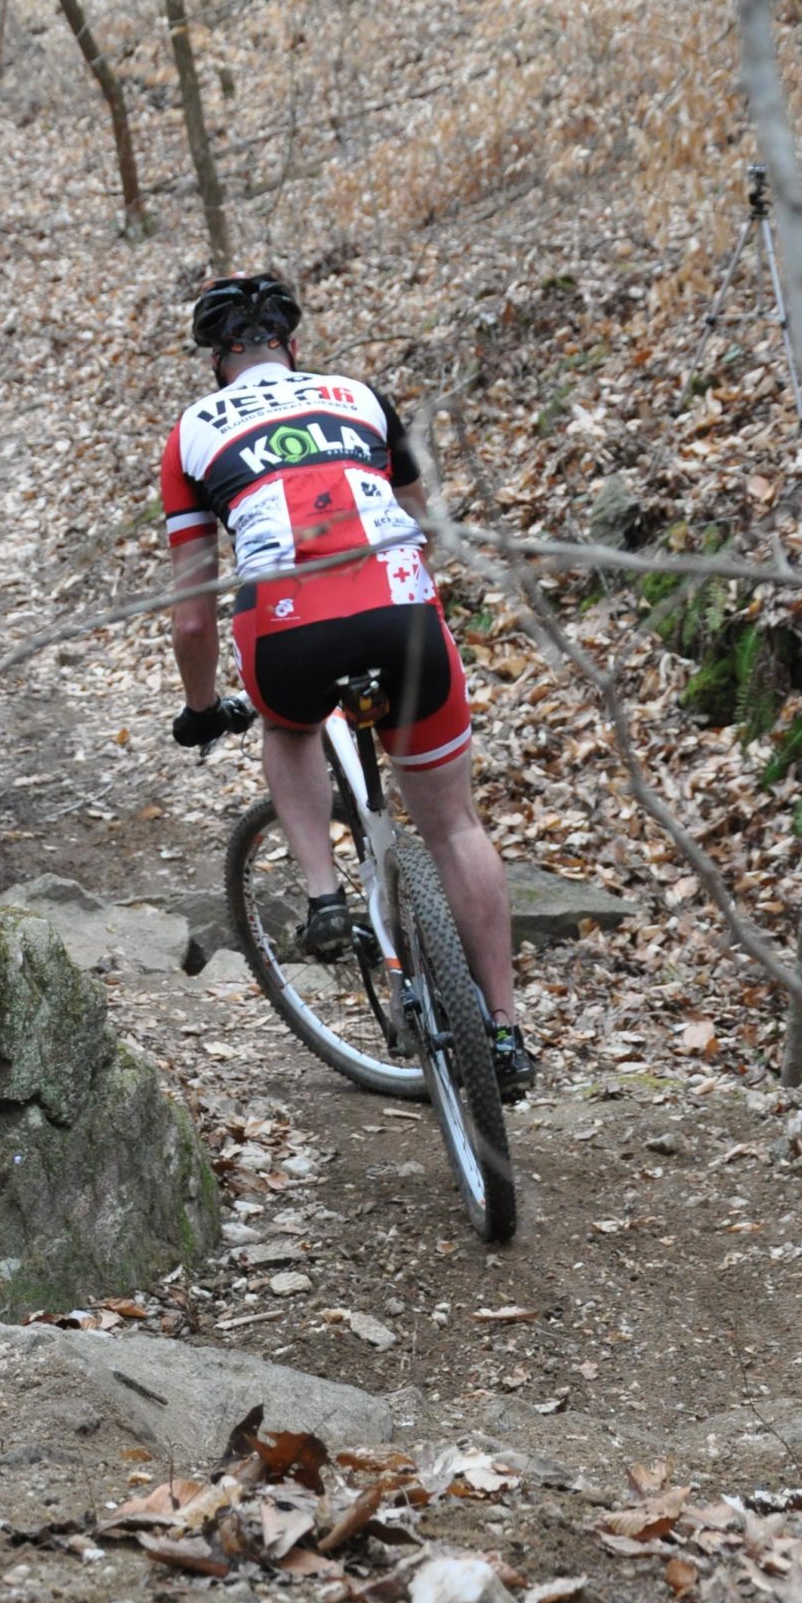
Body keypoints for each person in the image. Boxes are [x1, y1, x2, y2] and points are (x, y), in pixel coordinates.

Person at [160, 272, 536, 1098]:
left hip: (288, 625)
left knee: (287, 724)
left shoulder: (192, 431)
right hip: (400, 609)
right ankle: (505, 1034)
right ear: (291, 347)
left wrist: (197, 710)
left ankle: (326, 898)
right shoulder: (359, 397)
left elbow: (191, 616)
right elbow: (420, 515)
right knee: (455, 826)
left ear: (219, 362)